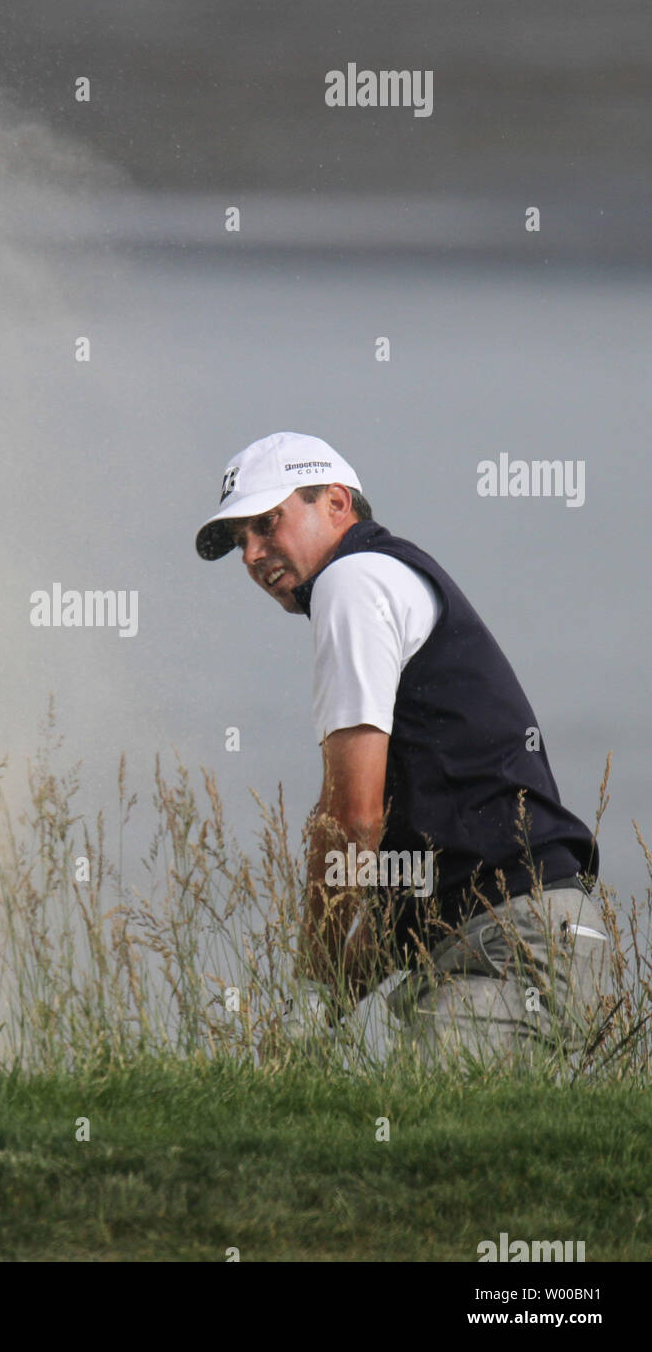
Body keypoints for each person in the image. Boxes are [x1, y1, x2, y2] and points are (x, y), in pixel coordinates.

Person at [194, 431, 611, 1067]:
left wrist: (310, 990)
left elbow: (352, 822)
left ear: (336, 501)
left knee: (441, 1140)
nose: (251, 554)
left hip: (510, 949)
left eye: (267, 523)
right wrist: (321, 1007)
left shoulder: (353, 582)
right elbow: (403, 905)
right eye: (238, 541)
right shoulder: (389, 575)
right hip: (524, 936)